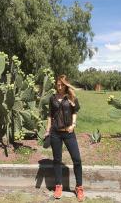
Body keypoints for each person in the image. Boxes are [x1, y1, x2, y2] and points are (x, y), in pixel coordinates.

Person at [44, 74, 85, 202]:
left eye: (62, 84)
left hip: (68, 132)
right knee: (57, 160)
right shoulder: (52, 98)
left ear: (66, 85)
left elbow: (74, 112)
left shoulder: (71, 97)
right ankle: (58, 186)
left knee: (77, 159)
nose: (59, 86)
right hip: (56, 132)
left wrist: (73, 124)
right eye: (58, 84)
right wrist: (47, 130)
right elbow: (50, 115)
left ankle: (79, 187)